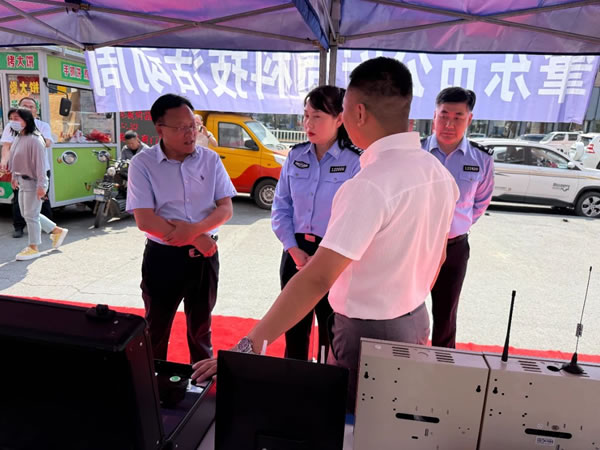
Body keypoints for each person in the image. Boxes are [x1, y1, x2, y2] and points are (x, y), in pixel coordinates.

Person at [192, 57, 459, 411]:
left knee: (352, 424)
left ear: (358, 113)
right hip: (414, 320)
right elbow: (439, 256)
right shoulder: (437, 172)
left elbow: (317, 280)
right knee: (390, 420)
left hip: (368, 334)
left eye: (343, 110)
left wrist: (247, 348)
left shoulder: (370, 184)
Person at [126, 94, 236, 363]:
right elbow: (145, 219)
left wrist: (195, 231)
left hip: (204, 259)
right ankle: (154, 382)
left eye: (193, 126)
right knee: (156, 327)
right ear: (160, 129)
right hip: (163, 258)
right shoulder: (143, 164)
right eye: (181, 128)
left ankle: (201, 381)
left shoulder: (210, 160)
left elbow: (225, 208)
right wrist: (196, 237)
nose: (190, 134)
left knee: (201, 328)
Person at [271, 85, 362, 363]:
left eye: (317, 117)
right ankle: (292, 379)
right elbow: (281, 207)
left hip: (333, 256)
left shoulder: (356, 161)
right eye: (306, 115)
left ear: (340, 119)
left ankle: (324, 380)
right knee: (293, 327)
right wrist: (293, 249)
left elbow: (355, 217)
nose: (308, 124)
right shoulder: (296, 156)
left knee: (329, 331)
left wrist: (323, 258)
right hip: (295, 254)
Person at [421, 87, 494, 349]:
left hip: (454, 248)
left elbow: (480, 202)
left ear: (469, 119)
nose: (449, 124)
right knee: (406, 311)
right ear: (434, 116)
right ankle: (404, 363)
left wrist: (455, 227)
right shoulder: (416, 152)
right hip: (416, 245)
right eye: (444, 116)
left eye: (457, 117)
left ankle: (442, 365)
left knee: (446, 314)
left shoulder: (481, 159)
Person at [7, 107, 68, 261]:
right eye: (11, 119)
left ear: (26, 120)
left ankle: (33, 247)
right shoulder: (19, 137)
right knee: (27, 213)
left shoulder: (35, 140)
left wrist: (42, 186)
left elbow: (41, 166)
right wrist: (14, 176)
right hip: (22, 181)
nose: (13, 122)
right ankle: (56, 230)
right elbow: (15, 158)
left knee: (31, 215)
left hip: (33, 182)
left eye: (16, 118)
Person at [0, 97, 53, 238]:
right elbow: (7, 146)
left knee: (40, 200)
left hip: (38, 171)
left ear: (35, 111)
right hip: (19, 172)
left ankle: (46, 232)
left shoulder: (40, 130)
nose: (28, 109)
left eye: (31, 107)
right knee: (20, 204)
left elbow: (47, 143)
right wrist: (4, 162)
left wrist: (31, 135)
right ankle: (19, 226)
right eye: (24, 106)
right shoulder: (13, 129)